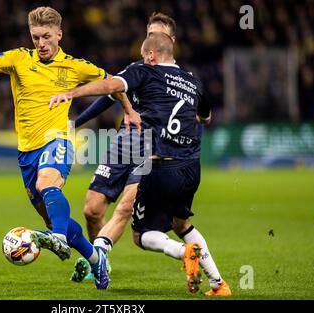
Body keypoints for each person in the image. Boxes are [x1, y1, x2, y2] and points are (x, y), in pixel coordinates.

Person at [0, 6, 141, 290]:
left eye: (46, 37)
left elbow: (114, 84)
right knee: (54, 220)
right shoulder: (18, 58)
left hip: (58, 138)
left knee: (47, 184)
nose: (40, 43)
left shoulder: (75, 66)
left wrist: (128, 111)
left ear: (59, 35)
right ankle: (95, 258)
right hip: (26, 151)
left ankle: (61, 241)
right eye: (36, 37)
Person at [50, 32, 232, 296]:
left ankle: (182, 252)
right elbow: (206, 117)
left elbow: (110, 86)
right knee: (182, 225)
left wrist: (73, 93)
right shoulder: (193, 81)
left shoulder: (145, 70)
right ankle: (219, 284)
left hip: (160, 167)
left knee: (141, 234)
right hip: (191, 167)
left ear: (151, 55)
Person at [70, 12, 178, 282]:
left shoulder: (179, 80)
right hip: (124, 142)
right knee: (91, 210)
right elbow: (110, 95)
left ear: (171, 41)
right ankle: (98, 262)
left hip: (153, 148)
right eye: (149, 34)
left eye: (159, 35)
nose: (152, 40)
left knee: (126, 210)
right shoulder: (136, 69)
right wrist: (77, 122)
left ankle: (100, 263)